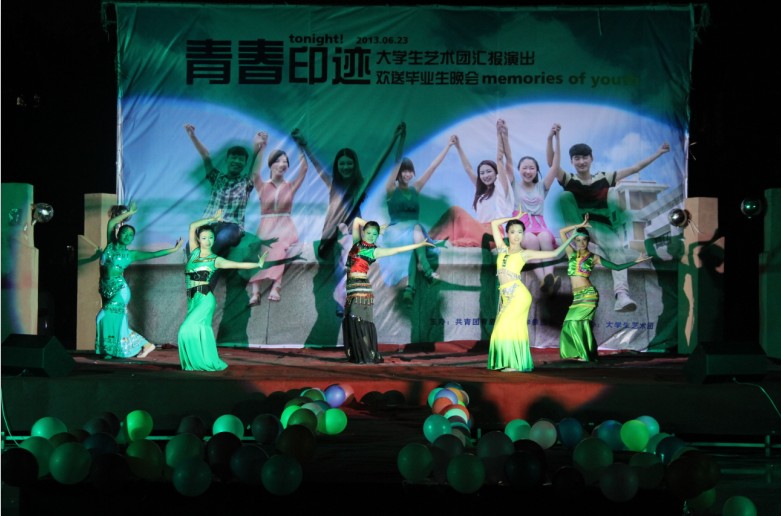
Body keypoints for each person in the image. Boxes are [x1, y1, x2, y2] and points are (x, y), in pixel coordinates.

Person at [549, 125, 670, 311]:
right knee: (565, 196)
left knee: (616, 250)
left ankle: (622, 295)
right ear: (572, 161)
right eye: (577, 158)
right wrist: (553, 138)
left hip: (601, 227)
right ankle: (577, 241)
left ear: (591, 158)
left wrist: (659, 153)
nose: (581, 161)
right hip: (580, 227)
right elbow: (552, 163)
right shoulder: (569, 179)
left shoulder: (604, 178)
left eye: (584, 157)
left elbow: (635, 168)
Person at [294, 124, 404, 316]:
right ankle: (343, 297)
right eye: (342, 163)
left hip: (352, 233)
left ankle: (343, 299)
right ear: (337, 166)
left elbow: (381, 162)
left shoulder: (360, 184)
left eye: (349, 163)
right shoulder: (332, 183)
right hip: (332, 235)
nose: (345, 167)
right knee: (341, 256)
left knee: (350, 258)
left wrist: (396, 139)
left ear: (355, 166)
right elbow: (315, 163)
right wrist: (302, 144)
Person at [178, 210, 268, 371]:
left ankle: (201, 361)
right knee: (200, 330)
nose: (208, 241)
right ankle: (198, 362)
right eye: (204, 238)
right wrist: (212, 219)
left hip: (205, 299)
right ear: (198, 239)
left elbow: (238, 265)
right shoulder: (193, 253)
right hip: (193, 299)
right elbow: (192, 226)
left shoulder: (215, 259)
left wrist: (258, 264)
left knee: (185, 330)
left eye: (210, 238)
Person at [487, 209, 575, 372]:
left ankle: (513, 363)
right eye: (513, 231)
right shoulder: (502, 248)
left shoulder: (525, 253)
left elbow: (555, 252)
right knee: (504, 328)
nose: (517, 235)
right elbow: (494, 223)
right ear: (507, 234)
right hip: (506, 295)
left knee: (507, 327)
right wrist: (514, 217)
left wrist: (571, 237)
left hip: (518, 295)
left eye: (520, 232)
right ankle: (511, 362)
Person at [558, 215, 652, 362]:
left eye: (584, 240)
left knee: (576, 322)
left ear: (588, 241)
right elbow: (562, 232)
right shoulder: (571, 254)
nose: (581, 243)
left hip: (588, 295)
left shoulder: (593, 257)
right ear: (574, 241)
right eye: (578, 240)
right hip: (577, 297)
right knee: (571, 323)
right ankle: (584, 353)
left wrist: (635, 261)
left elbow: (616, 267)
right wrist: (580, 224)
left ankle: (584, 354)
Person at [95, 202, 183, 359]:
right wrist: (130, 212)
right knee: (116, 322)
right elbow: (111, 222)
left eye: (131, 236)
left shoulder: (132, 254)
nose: (127, 237)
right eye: (125, 233)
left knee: (102, 316)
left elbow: (154, 254)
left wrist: (174, 249)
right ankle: (111, 350)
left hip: (120, 290)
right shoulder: (110, 244)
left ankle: (140, 344)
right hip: (106, 288)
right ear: (118, 234)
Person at [342, 217, 435, 364]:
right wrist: (378, 227)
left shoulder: (374, 251)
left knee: (360, 322)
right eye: (369, 233)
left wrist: (419, 245)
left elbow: (397, 250)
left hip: (361, 290)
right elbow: (356, 221)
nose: (371, 236)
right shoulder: (356, 244)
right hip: (351, 290)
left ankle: (368, 353)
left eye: (375, 234)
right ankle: (363, 353)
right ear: (363, 232)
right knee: (352, 321)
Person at [380, 127, 453, 305]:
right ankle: (427, 272)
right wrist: (402, 140)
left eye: (410, 171)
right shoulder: (391, 190)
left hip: (413, 235)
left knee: (415, 236)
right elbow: (397, 161)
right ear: (398, 174)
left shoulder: (416, 188)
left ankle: (410, 290)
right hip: (396, 232)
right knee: (416, 228)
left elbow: (433, 167)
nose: (407, 174)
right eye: (403, 171)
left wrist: (448, 146)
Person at [500, 120, 562, 294]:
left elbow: (555, 166)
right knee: (532, 242)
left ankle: (549, 277)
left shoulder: (542, 186)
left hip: (540, 226)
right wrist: (504, 135)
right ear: (519, 170)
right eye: (525, 168)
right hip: (520, 226)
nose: (528, 171)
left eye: (532, 168)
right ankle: (544, 280)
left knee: (545, 238)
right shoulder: (514, 185)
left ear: (536, 170)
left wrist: (555, 138)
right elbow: (508, 161)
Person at [247, 131, 308, 306]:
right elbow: (254, 172)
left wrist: (299, 146)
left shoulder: (291, 186)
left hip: (285, 226)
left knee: (279, 245)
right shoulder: (262, 186)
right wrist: (261, 148)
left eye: (285, 162)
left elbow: (304, 169)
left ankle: (276, 286)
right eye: (278, 161)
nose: (282, 164)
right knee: (258, 247)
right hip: (266, 225)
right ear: (271, 164)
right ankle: (255, 292)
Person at [429, 124, 515, 248]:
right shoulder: (481, 192)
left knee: (456, 210)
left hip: (493, 233)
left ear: (496, 173)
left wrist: (501, 136)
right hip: (478, 228)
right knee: (454, 212)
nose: (485, 175)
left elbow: (503, 160)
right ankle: (429, 240)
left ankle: (433, 239)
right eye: (482, 173)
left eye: (489, 171)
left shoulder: (501, 188)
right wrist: (458, 147)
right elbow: (468, 169)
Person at [184, 123, 261, 256]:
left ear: (244, 164)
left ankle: (205, 263)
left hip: (231, 226)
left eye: (241, 159)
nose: (237, 161)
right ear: (227, 160)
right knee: (190, 245)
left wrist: (257, 148)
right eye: (234, 157)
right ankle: (205, 266)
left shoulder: (245, 183)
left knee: (221, 239)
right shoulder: (217, 178)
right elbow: (206, 155)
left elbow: (255, 169)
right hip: (209, 224)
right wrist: (192, 136)